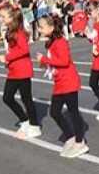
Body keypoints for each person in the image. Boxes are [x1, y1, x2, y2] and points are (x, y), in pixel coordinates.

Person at [36, 15, 88, 159]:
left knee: (73, 112)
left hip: (68, 81)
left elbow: (64, 61)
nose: (39, 29)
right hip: (60, 82)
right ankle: (71, 135)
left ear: (51, 28)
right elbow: (54, 61)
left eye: (41, 27)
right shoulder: (51, 42)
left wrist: (45, 59)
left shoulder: (60, 41)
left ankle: (80, 141)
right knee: (54, 112)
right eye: (39, 27)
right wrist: (45, 63)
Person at [0, 6, 41, 139]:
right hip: (14, 70)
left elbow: (24, 50)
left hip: (22, 70)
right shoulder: (10, 31)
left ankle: (34, 125)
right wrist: (8, 62)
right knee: (7, 97)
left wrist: (7, 58)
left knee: (26, 98)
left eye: (4, 17)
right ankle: (25, 120)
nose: (1, 19)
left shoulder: (19, 33)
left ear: (12, 18)